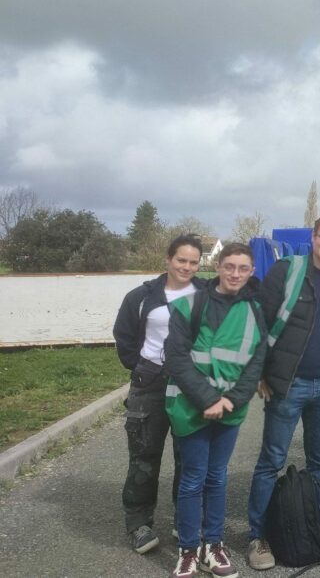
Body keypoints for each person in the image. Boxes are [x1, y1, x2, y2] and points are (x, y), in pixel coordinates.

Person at [246, 215, 320, 570]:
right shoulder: (287, 270)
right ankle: (258, 537)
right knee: (271, 461)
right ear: (313, 236)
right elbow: (261, 321)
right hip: (288, 384)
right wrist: (262, 372)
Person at [164, 243, 267, 578]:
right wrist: (208, 398)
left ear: (251, 271)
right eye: (229, 266)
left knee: (217, 477)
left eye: (243, 268)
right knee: (193, 478)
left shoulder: (255, 311)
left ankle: (214, 545)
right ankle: (189, 549)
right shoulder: (189, 305)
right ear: (218, 267)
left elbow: (255, 361)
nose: (236, 274)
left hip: (230, 410)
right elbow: (177, 358)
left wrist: (232, 400)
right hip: (192, 407)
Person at [114, 234, 206, 555]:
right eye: (181, 260)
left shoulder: (206, 294)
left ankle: (185, 521)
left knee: (189, 457)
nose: (187, 267)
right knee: (143, 458)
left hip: (190, 386)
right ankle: (139, 523)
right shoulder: (141, 297)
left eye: (194, 262)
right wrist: (141, 366)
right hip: (149, 384)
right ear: (168, 259)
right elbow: (124, 337)